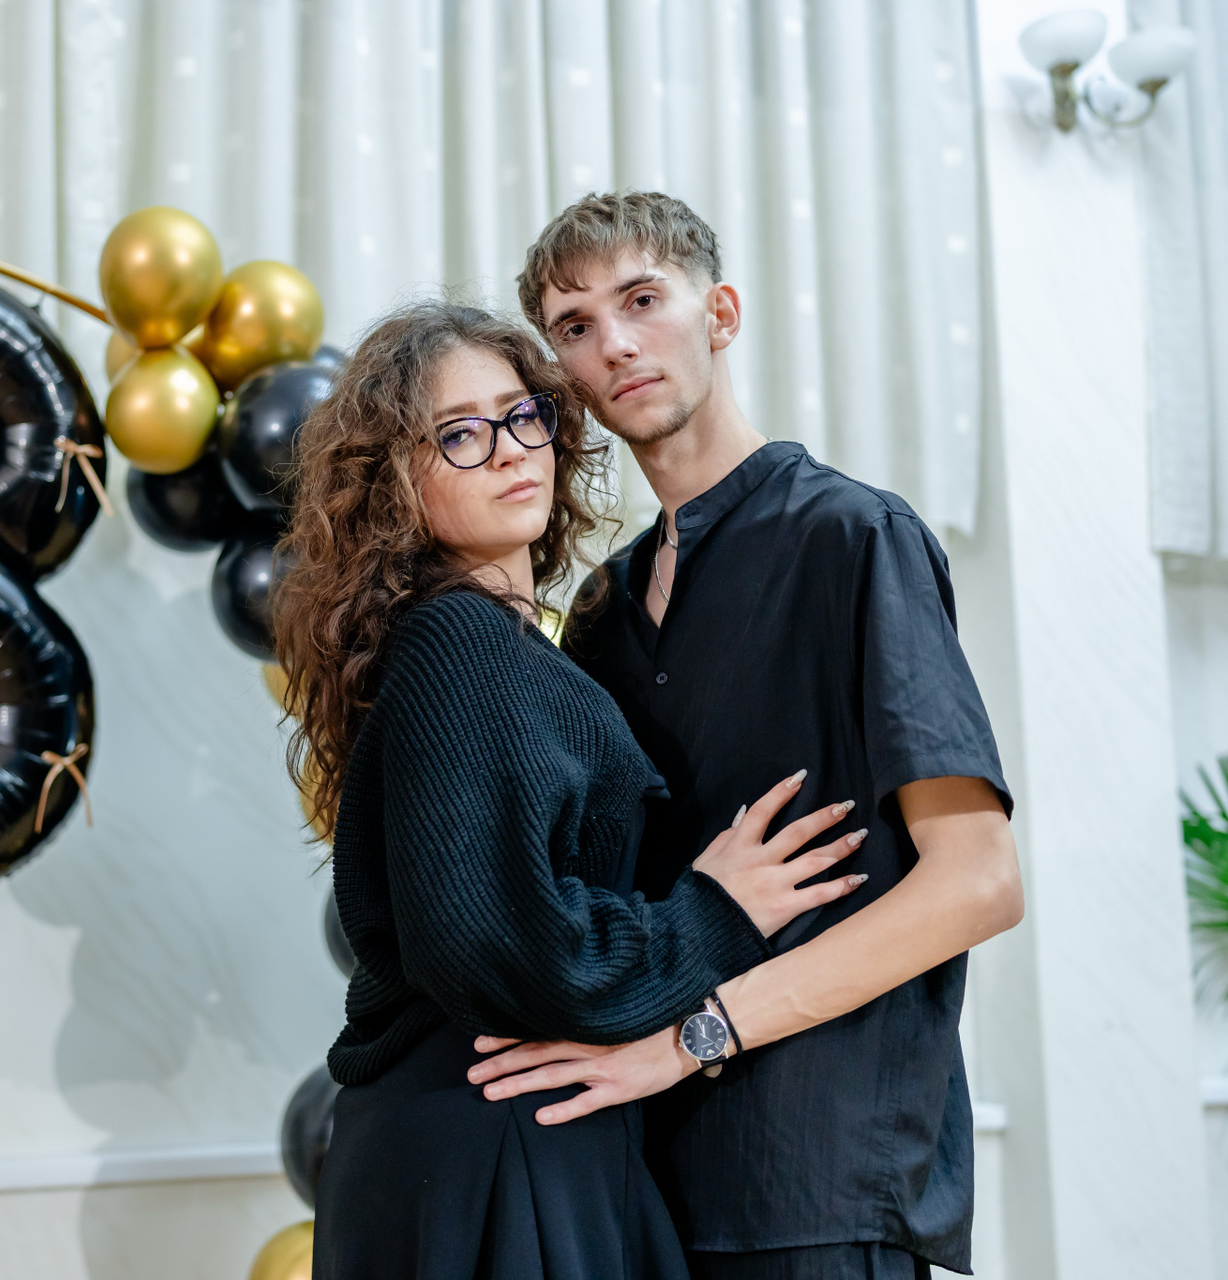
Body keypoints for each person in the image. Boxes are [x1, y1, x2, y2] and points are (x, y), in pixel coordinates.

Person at [467, 191, 1024, 1280]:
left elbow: (979, 882)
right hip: (644, 1175)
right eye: (576, 326)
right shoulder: (601, 611)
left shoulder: (854, 537)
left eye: (642, 300)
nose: (615, 342)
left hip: (819, 1181)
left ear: (719, 312)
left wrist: (695, 1036)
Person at [275, 300, 872, 1280]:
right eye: (459, 434)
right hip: (498, 1137)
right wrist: (717, 912)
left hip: (502, 1130)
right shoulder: (460, 643)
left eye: (522, 416)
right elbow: (502, 945)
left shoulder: (500, 644)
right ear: (395, 482)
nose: (510, 449)